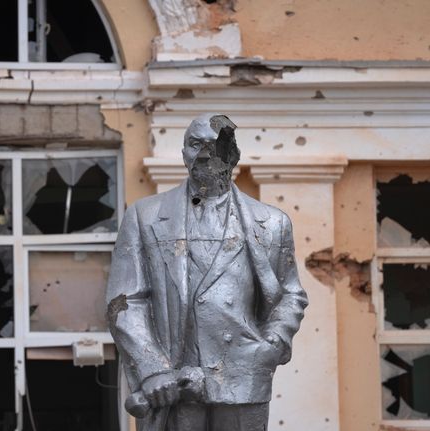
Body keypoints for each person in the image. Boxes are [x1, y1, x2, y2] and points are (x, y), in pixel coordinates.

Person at [106, 113, 307, 430]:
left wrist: (271, 345)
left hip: (244, 377)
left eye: (214, 145)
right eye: (194, 144)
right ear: (183, 152)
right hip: (174, 382)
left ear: (233, 155)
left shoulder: (272, 223)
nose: (203, 154)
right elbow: (126, 300)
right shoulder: (145, 217)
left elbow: (290, 295)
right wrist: (151, 368)